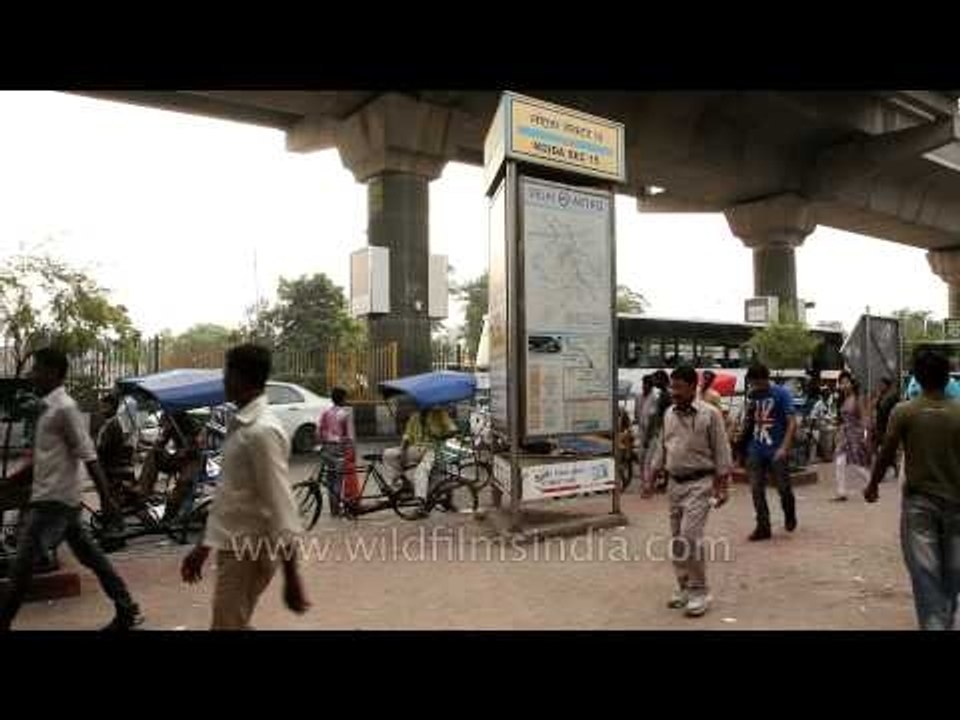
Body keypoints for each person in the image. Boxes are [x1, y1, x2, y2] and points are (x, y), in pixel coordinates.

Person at [0, 348, 143, 631]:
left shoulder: (65, 408)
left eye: (37, 369)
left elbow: (88, 454)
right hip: (57, 500)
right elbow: (43, 458)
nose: (32, 375)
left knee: (22, 566)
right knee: (92, 557)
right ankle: (127, 608)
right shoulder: (49, 409)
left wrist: (106, 498)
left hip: (54, 503)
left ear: (53, 372)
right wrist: (11, 481)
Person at [181, 344, 310, 630]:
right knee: (233, 623)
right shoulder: (241, 426)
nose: (223, 380)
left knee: (227, 625)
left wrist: (292, 578)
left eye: (226, 373)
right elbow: (229, 500)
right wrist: (203, 548)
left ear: (239, 377)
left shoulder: (261, 432)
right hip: (233, 546)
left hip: (249, 552)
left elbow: (281, 506)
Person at [865, 349, 960, 630]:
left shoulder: (905, 411)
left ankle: (935, 624)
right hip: (957, 504)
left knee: (926, 575)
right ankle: (945, 620)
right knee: (953, 574)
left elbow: (886, 452)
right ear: (947, 377)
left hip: (920, 505)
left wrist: (872, 485)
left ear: (916, 377)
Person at [651, 365, 732, 618]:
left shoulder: (710, 414)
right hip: (675, 484)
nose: (673, 392)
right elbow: (663, 446)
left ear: (692, 386)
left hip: (701, 483)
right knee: (677, 539)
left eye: (678, 387)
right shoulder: (668, 414)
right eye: (671, 387)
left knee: (689, 536)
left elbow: (722, 450)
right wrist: (652, 473)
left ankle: (700, 590)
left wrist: (723, 485)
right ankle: (684, 585)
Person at [739, 363, 798, 541]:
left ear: (765, 379)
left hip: (776, 449)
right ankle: (763, 526)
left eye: (756, 383)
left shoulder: (781, 394)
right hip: (756, 449)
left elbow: (792, 422)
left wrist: (784, 447)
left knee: (783, 488)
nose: (754, 387)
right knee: (756, 489)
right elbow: (749, 422)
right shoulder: (752, 396)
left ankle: (789, 514)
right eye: (751, 384)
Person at [316, 387, 356, 516]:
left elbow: (319, 431)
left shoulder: (325, 412)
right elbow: (349, 436)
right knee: (338, 480)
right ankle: (336, 510)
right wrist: (351, 450)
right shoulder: (345, 413)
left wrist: (321, 444)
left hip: (326, 449)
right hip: (339, 449)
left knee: (330, 479)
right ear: (343, 399)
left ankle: (333, 510)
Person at [832, 370, 871, 502]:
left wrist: (865, 435)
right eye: (841, 383)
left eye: (846, 382)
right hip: (844, 435)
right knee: (839, 462)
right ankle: (841, 492)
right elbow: (840, 420)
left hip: (855, 434)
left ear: (852, 384)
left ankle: (871, 483)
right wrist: (838, 432)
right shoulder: (842, 400)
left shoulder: (858, 398)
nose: (844, 386)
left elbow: (865, 417)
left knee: (856, 464)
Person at [95, 392, 138, 510]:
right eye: (101, 407)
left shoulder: (113, 425)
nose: (102, 410)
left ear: (113, 407)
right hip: (108, 463)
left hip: (110, 466)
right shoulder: (108, 424)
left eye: (105, 407)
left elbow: (105, 448)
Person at [632, 374, 660, 496]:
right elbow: (637, 416)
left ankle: (647, 488)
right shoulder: (638, 397)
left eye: (647, 385)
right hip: (641, 432)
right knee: (641, 460)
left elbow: (653, 420)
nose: (644, 386)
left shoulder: (654, 399)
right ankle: (645, 484)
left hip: (652, 434)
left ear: (651, 386)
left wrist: (648, 438)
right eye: (643, 384)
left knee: (648, 462)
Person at [872, 377, 900, 480]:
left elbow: (893, 411)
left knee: (885, 450)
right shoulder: (882, 396)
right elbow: (876, 408)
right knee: (877, 449)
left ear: (886, 385)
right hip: (879, 426)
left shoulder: (892, 397)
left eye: (882, 384)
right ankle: (888, 468)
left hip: (886, 427)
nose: (880, 386)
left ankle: (888, 469)